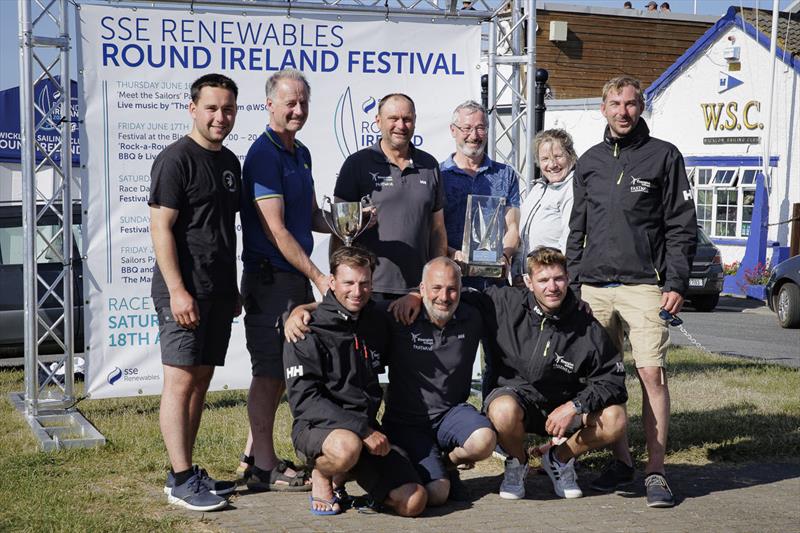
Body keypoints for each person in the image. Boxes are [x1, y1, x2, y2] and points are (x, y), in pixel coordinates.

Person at [566, 76, 697, 508]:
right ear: (602, 108)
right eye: (615, 103)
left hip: (645, 286)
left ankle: (656, 471)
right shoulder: (587, 162)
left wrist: (675, 282)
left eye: (632, 104)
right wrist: (571, 280)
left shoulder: (664, 156)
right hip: (594, 288)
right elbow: (577, 228)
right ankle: (621, 461)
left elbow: (682, 227)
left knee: (651, 374)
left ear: (642, 108)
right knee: (603, 379)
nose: (624, 111)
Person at [286, 257, 497, 505]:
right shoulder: (395, 315)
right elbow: (340, 307)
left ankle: (438, 466)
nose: (444, 296)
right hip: (382, 426)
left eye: (452, 289)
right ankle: (325, 473)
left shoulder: (473, 312)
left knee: (425, 496)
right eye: (436, 288)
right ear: (421, 288)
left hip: (434, 419)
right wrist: (301, 310)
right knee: (432, 493)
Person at [149, 73, 241, 511]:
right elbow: (161, 227)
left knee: (201, 381)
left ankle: (183, 472)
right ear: (192, 108)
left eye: (227, 109)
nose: (220, 117)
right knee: (180, 381)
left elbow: (224, 231)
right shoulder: (175, 160)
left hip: (219, 291)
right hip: (183, 292)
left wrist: (232, 288)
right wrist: (177, 291)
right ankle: (181, 479)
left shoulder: (230, 163)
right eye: (212, 108)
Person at [283, 246, 428, 516]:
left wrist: (416, 296)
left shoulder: (376, 319)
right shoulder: (305, 328)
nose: (357, 291)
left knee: (414, 501)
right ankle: (322, 474)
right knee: (346, 447)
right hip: (320, 430)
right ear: (332, 282)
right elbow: (305, 402)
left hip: (367, 433)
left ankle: (366, 491)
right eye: (349, 283)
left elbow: (427, 304)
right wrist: (363, 431)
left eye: (364, 283)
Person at [238, 68, 328, 491]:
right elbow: (277, 231)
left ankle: (254, 453)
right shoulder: (262, 155)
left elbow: (309, 217)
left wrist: (351, 223)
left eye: (303, 103)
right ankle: (263, 467)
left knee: (283, 369)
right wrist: (319, 276)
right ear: (269, 105)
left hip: (292, 279)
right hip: (269, 278)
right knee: (269, 372)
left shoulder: (301, 152)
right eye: (289, 102)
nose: (297, 110)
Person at [333, 93, 447, 302]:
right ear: (378, 121)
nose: (401, 125)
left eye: (407, 119)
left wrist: (430, 284)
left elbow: (438, 230)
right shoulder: (356, 164)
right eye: (393, 118)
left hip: (417, 292)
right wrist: (338, 282)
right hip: (366, 290)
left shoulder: (430, 165)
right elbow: (339, 231)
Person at [441, 100, 520, 290]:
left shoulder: (505, 174)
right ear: (453, 130)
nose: (474, 136)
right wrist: (452, 254)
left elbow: (513, 227)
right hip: (451, 283)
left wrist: (505, 256)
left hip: (493, 284)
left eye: (480, 128)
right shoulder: (438, 175)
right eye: (466, 128)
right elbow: (431, 230)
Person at [512, 129, 576, 286]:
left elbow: (569, 241)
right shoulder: (538, 188)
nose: (552, 164)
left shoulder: (573, 189)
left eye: (558, 157)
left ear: (571, 156)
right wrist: (517, 273)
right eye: (545, 159)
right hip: (529, 279)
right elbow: (522, 236)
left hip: (551, 281)